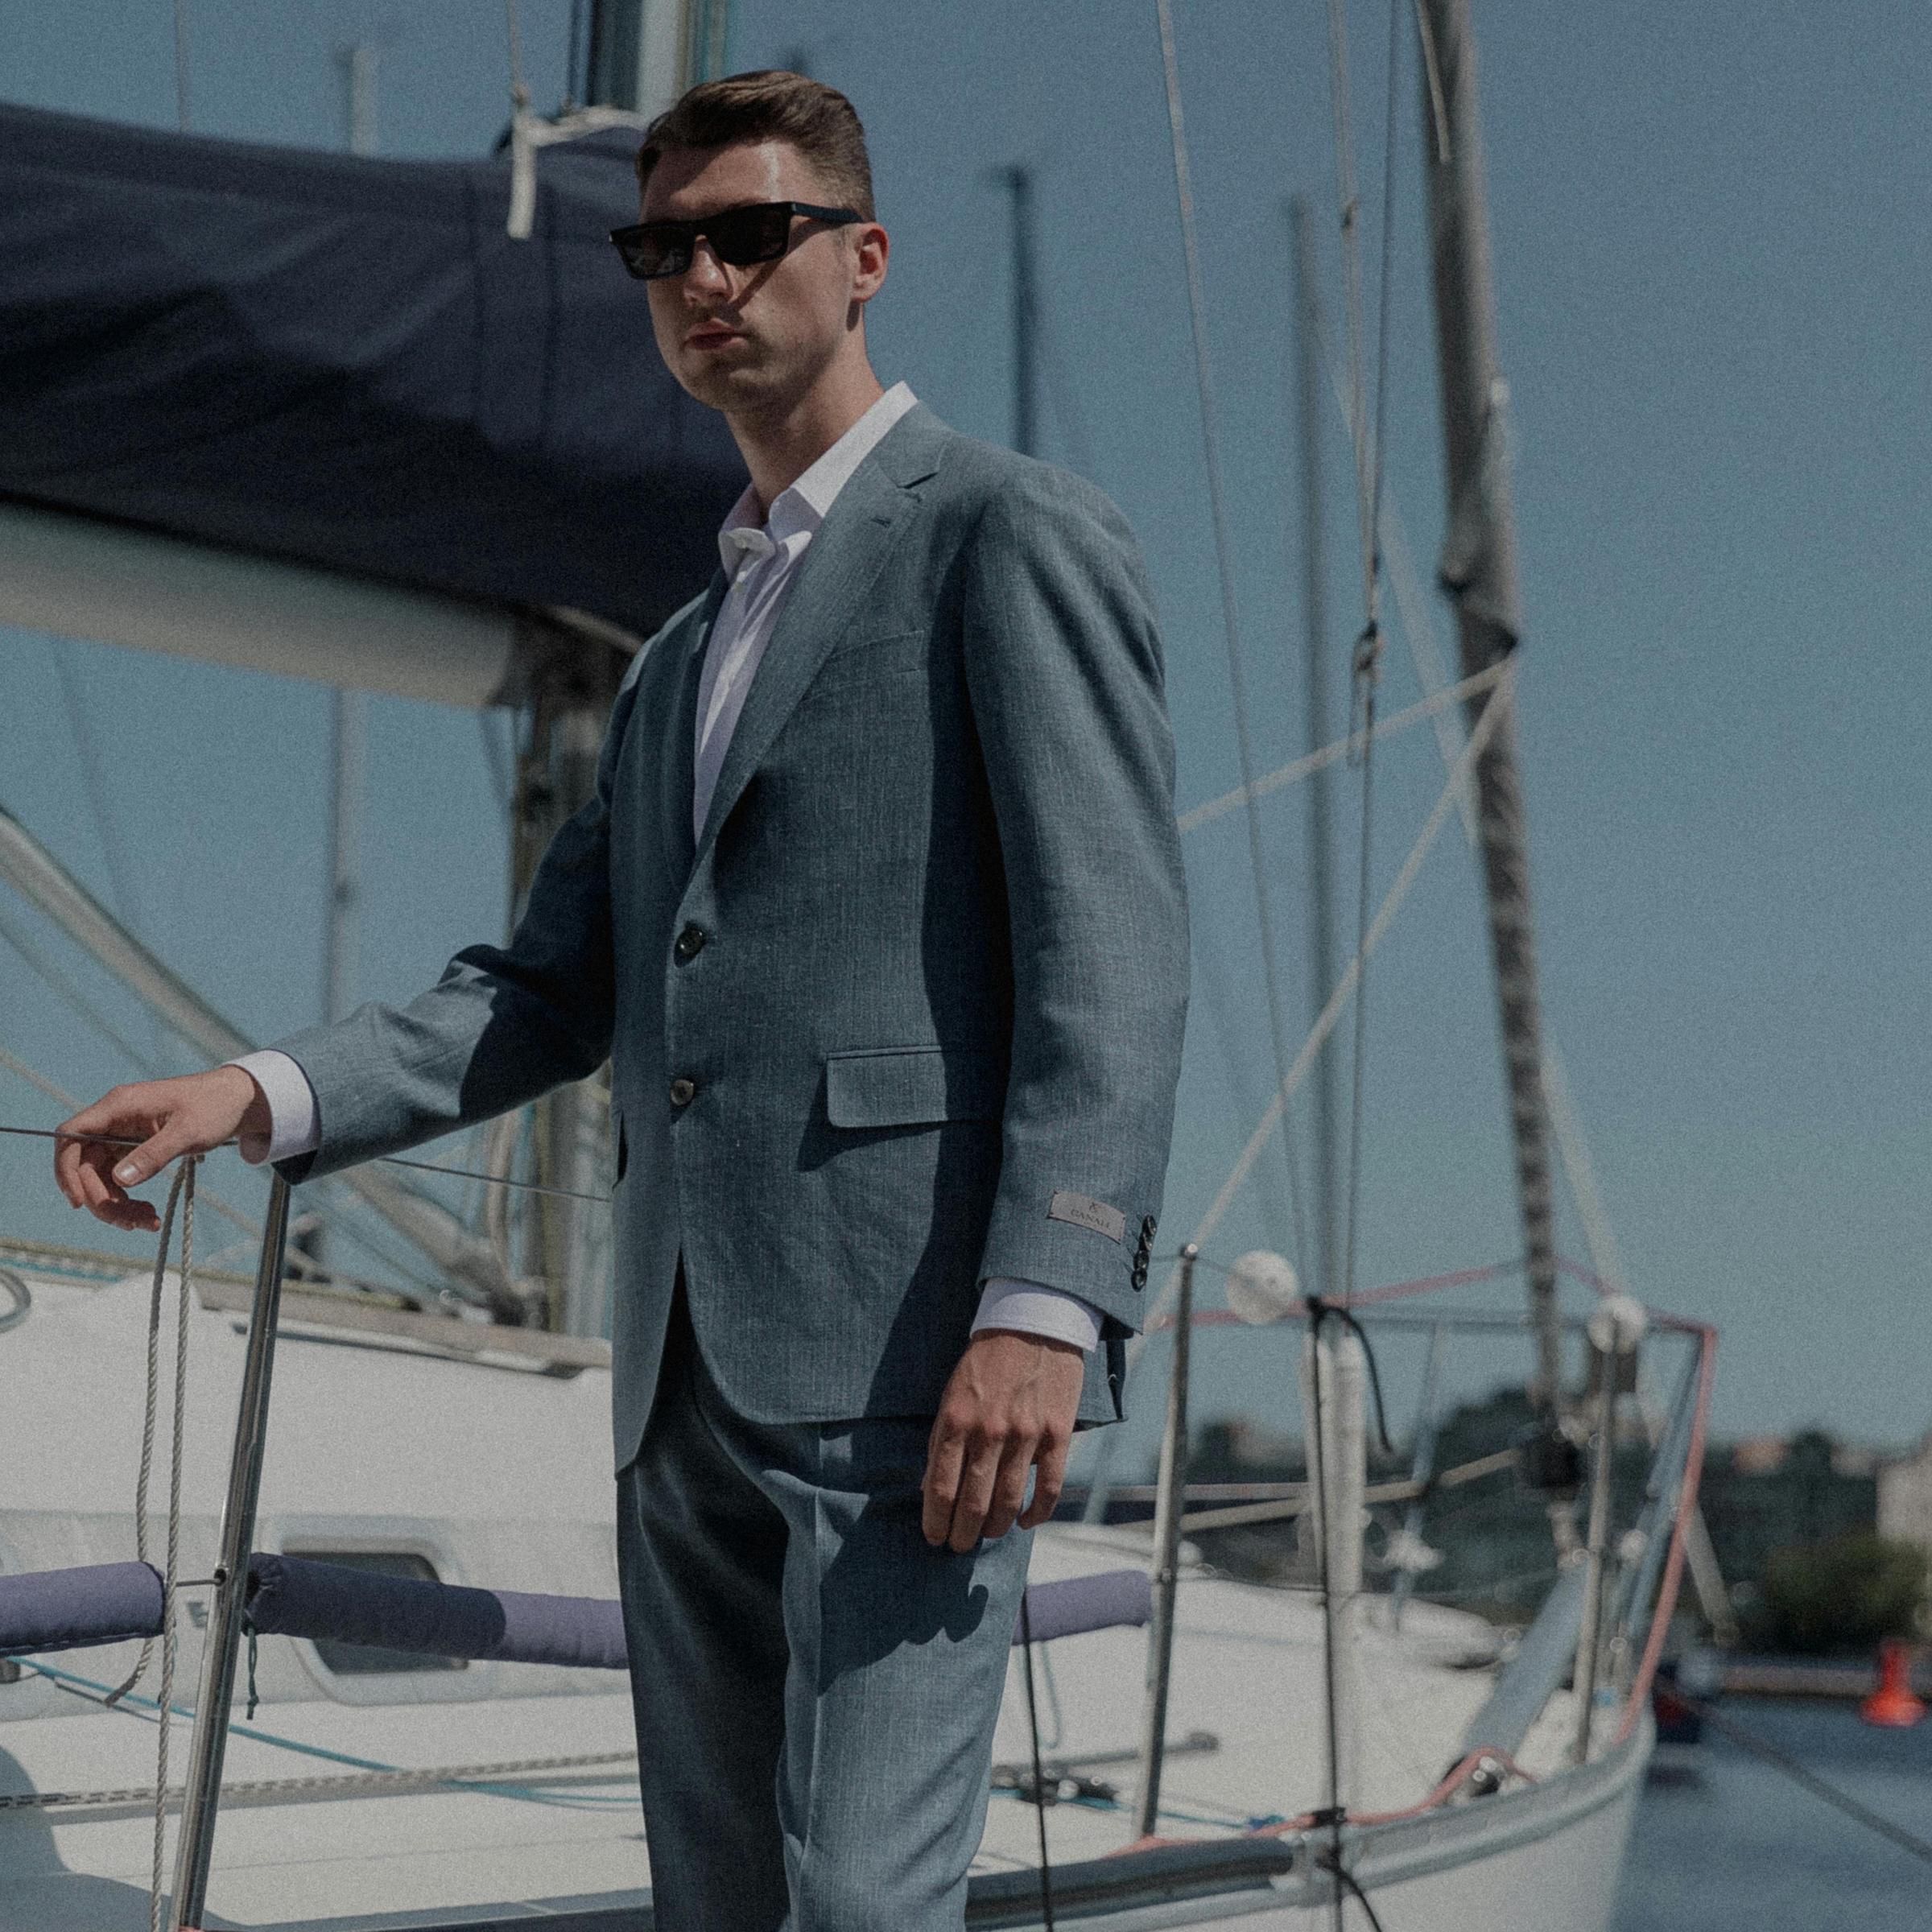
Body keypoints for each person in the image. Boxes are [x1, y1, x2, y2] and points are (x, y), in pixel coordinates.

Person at [56, 70, 1189, 1932]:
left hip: (916, 1366)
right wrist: (255, 1093)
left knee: (866, 1906)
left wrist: (1048, 1302)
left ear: (866, 258)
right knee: (721, 1905)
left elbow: (1114, 944)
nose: (704, 278)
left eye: (751, 235)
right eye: (664, 246)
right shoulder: (682, 655)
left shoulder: (1006, 531)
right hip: (680, 1378)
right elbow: (542, 985)